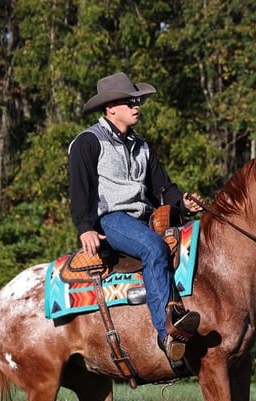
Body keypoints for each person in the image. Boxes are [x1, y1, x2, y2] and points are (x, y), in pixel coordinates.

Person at [68, 72, 203, 363]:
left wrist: (184, 203)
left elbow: (162, 188)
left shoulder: (142, 146)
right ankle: (166, 332)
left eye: (137, 100)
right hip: (111, 219)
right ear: (110, 108)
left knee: (196, 243)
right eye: (129, 101)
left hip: (143, 219)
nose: (136, 105)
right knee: (154, 247)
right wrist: (85, 227)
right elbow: (80, 189)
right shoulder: (88, 142)